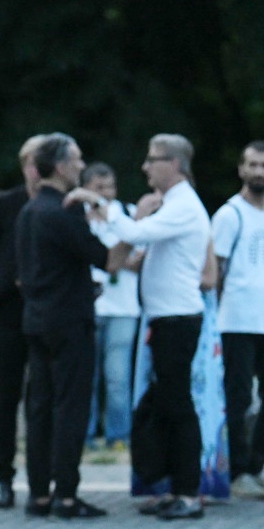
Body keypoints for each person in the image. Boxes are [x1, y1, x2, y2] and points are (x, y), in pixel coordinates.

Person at [108, 134, 213, 520]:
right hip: (166, 318)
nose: (145, 167)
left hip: (178, 320)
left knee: (177, 405)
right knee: (165, 405)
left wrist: (101, 205)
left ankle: (188, 492)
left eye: (153, 159)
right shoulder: (174, 205)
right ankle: (172, 484)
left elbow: (135, 234)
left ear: (174, 164)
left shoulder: (183, 205)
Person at [17, 133, 114, 518]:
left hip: (37, 319)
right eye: (76, 160)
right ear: (59, 166)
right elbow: (102, 256)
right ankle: (67, 494)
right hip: (70, 321)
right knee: (71, 407)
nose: (81, 166)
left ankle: (39, 492)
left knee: (40, 408)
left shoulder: (29, 211)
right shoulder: (64, 209)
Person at [213, 142, 264, 501]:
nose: (259, 172)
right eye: (253, 164)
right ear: (241, 169)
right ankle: (236, 471)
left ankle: (256, 466)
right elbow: (216, 269)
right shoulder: (229, 214)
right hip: (236, 319)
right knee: (238, 397)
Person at [0, 136, 46, 509]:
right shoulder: (4, 205)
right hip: (9, 311)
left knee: (43, 395)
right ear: (24, 166)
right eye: (34, 162)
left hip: (48, 309)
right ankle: (4, 476)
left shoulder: (60, 203)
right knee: (8, 393)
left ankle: (41, 478)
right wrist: (8, 277)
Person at [82, 162, 142, 450]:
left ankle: (119, 435)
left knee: (118, 376)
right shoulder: (77, 217)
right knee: (86, 376)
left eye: (109, 187)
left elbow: (140, 256)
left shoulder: (127, 215)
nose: (105, 193)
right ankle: (86, 435)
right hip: (89, 307)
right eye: (98, 188)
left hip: (123, 308)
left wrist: (112, 260)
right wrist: (115, 259)